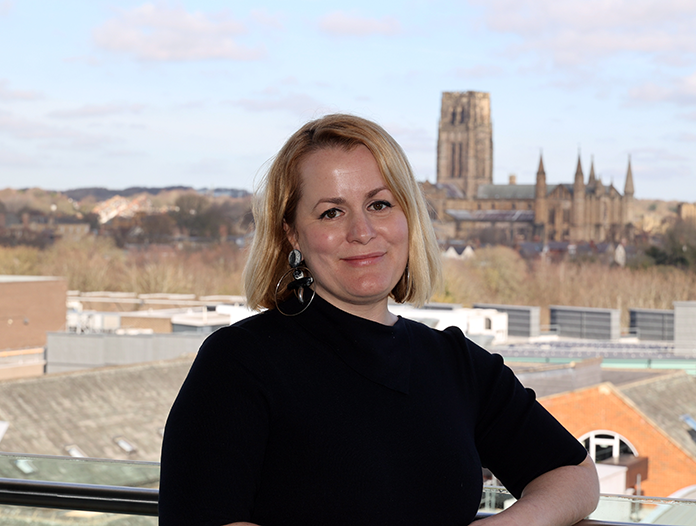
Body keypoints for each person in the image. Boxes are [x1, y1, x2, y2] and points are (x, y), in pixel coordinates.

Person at [159, 114, 599, 526]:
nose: (363, 232)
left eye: (381, 204)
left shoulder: (455, 363)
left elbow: (574, 474)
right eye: (332, 212)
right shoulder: (240, 362)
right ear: (292, 233)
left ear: (409, 215)